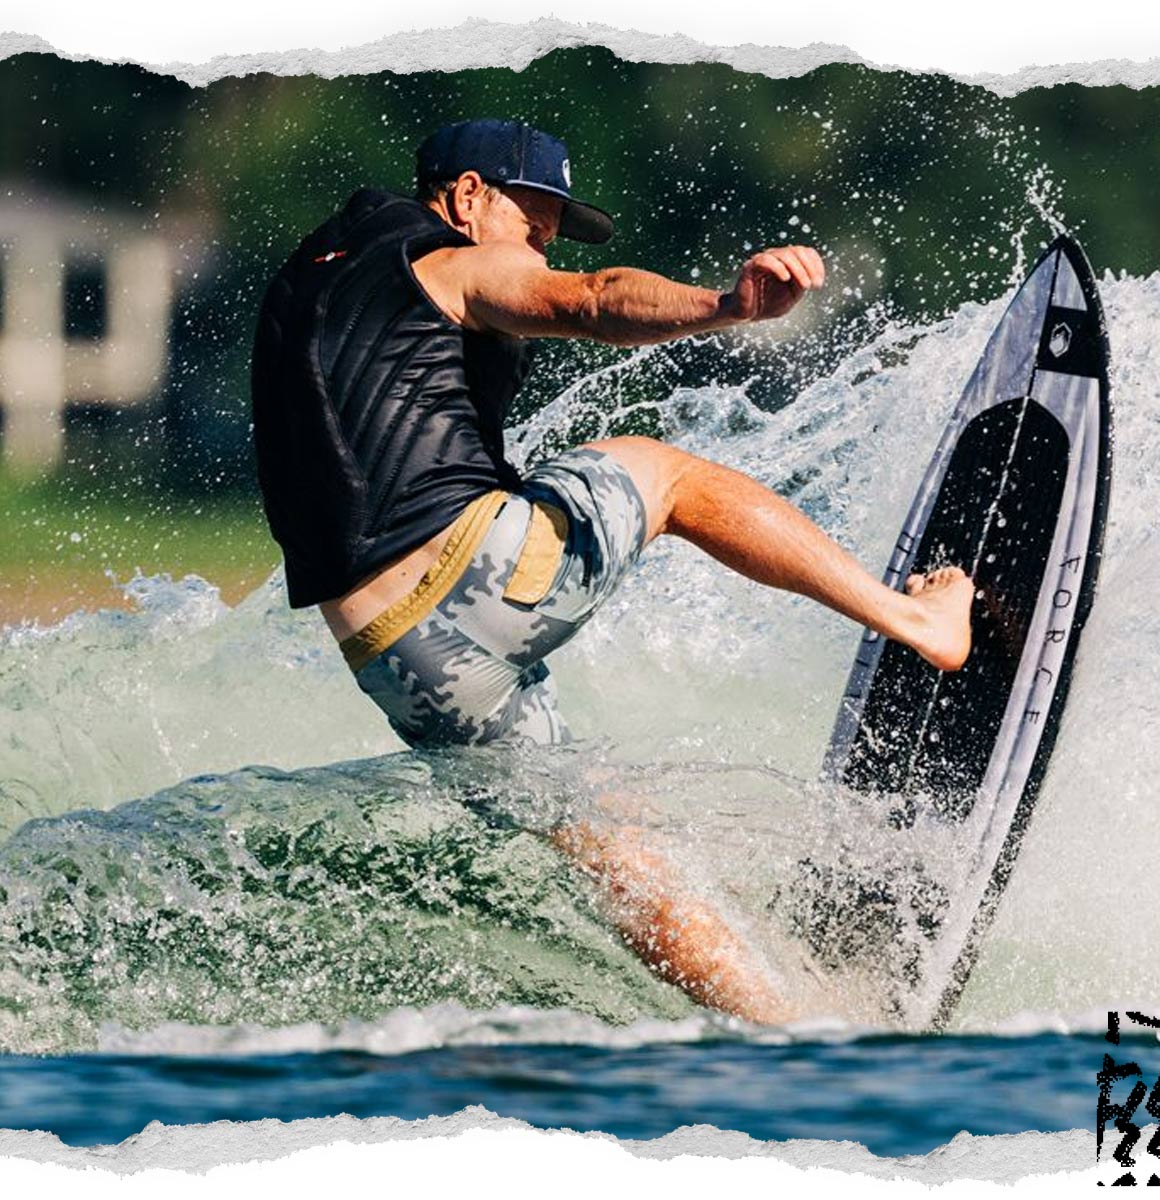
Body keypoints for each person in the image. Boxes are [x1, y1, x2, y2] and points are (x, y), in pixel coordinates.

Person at [251, 118, 974, 1023]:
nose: (540, 253)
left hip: (394, 660)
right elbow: (592, 300)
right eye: (534, 226)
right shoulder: (446, 259)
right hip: (470, 576)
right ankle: (917, 622)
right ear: (469, 196)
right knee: (665, 475)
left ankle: (794, 1026)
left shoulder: (313, 282)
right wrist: (728, 305)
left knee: (610, 837)